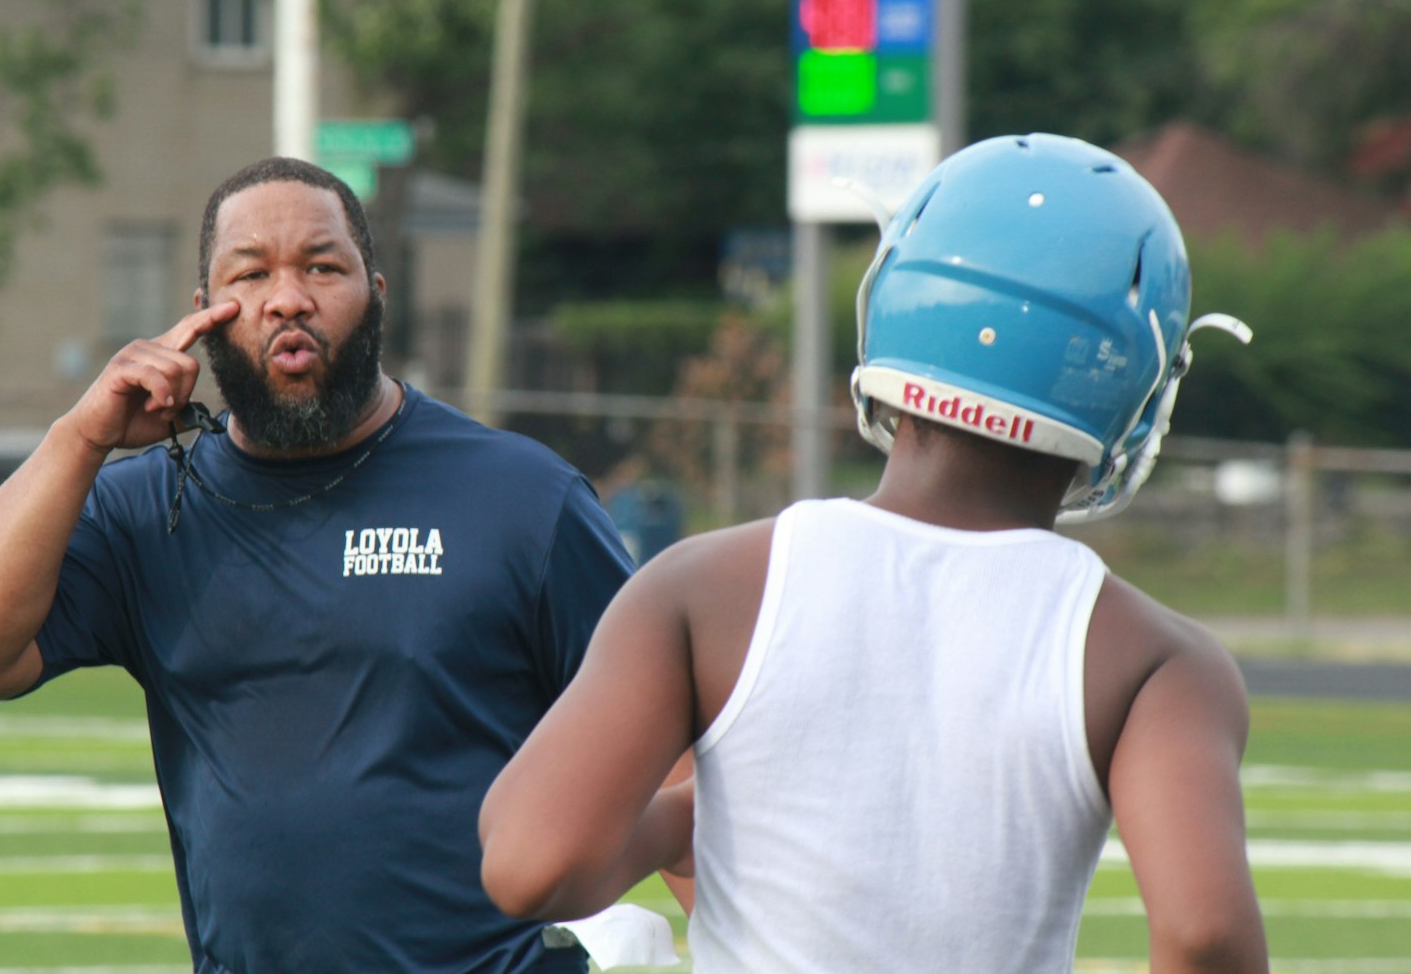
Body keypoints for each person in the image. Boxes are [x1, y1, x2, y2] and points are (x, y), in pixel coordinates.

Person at [480, 134, 1270, 972]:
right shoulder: (1159, 660)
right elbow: (1204, 932)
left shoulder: (701, 585)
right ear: (1137, 384)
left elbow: (531, 864)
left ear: (894, 298)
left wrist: (683, 818)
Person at [0, 156, 637, 973]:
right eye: (250, 273)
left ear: (376, 293)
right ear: (203, 316)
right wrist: (77, 439)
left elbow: (665, 741)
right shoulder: (150, 509)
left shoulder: (522, 496)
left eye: (323, 267)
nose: (287, 297)